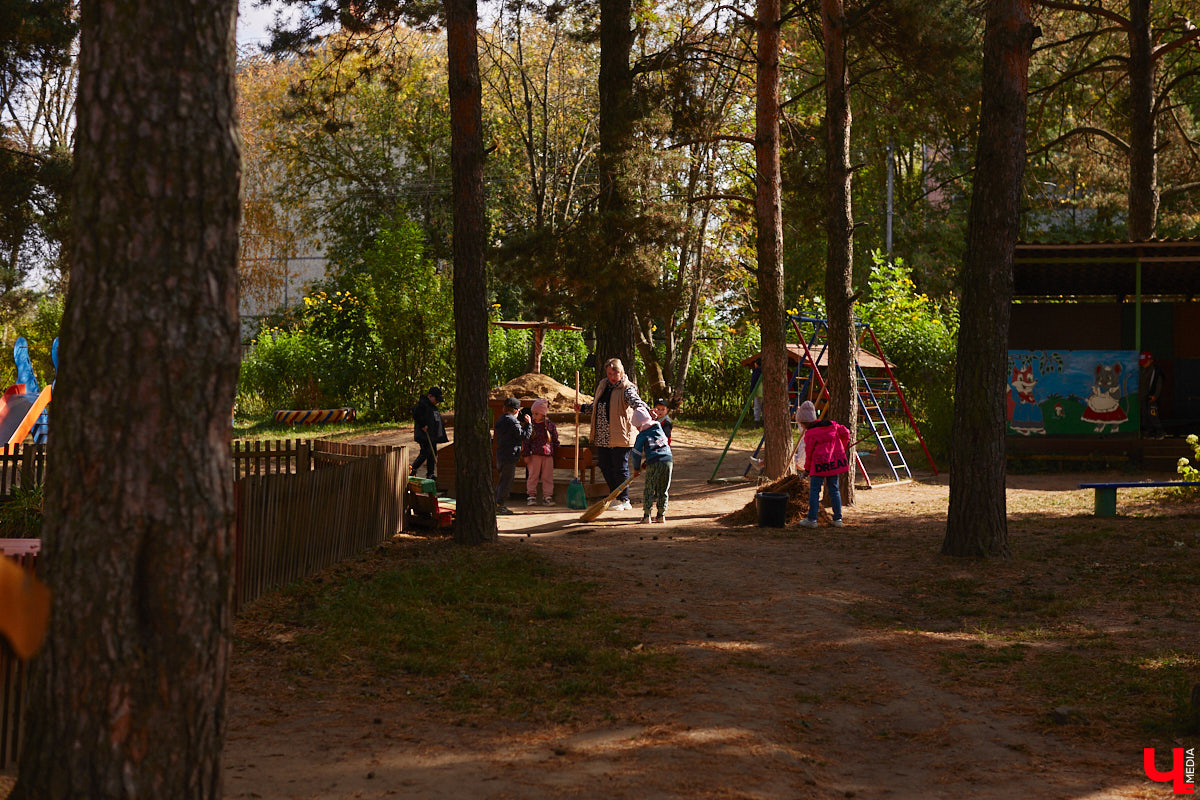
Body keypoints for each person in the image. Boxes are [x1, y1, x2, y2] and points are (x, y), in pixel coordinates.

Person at [575, 357, 649, 511]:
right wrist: (582, 408)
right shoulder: (603, 386)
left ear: (621, 372)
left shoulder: (627, 388)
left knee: (619, 467)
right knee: (604, 464)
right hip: (602, 435)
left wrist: (647, 412)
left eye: (615, 373)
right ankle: (615, 495)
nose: (613, 377)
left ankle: (624, 499)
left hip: (621, 434)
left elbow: (637, 403)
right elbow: (598, 406)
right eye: (610, 373)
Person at [799, 401, 850, 529]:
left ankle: (812, 519)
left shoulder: (810, 434)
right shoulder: (832, 425)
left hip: (818, 466)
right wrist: (841, 448)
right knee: (834, 489)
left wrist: (806, 470)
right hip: (833, 464)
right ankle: (838, 518)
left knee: (815, 491)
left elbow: (809, 454)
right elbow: (846, 432)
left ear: (805, 422)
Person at [630, 408, 672, 524]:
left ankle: (647, 515)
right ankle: (661, 515)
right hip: (668, 460)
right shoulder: (658, 428)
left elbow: (636, 453)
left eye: (637, 426)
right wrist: (646, 462)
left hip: (654, 462)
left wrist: (636, 468)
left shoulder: (642, 435)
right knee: (663, 489)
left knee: (649, 488)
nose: (637, 429)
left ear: (640, 424)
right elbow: (658, 446)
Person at [493, 397, 531, 515]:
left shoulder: (500, 420)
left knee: (502, 480)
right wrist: (528, 424)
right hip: (510, 455)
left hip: (501, 455)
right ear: (516, 411)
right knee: (506, 482)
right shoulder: (512, 421)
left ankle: (496, 503)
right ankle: (500, 505)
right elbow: (523, 436)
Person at [522, 398, 559, 505]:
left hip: (547, 455)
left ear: (543, 414)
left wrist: (556, 449)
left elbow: (555, 438)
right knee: (533, 475)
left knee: (547, 476)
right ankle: (531, 495)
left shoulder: (550, 425)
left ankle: (547, 496)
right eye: (532, 413)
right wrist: (525, 455)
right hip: (534, 455)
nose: (533, 416)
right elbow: (526, 441)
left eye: (536, 414)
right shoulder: (531, 426)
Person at [411, 386, 447, 481]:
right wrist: (423, 424)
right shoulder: (422, 404)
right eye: (436, 399)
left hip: (432, 436)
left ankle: (430, 474)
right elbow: (415, 413)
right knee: (425, 452)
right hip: (424, 435)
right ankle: (412, 469)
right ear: (430, 396)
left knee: (432, 453)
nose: (437, 402)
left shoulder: (432, 406)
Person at [1139, 351, 1166, 438]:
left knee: (1153, 415)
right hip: (1142, 397)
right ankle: (1148, 432)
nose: (1143, 364)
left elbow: (1158, 385)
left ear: (1151, 360)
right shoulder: (1141, 370)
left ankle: (1160, 432)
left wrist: (1155, 395)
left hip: (1151, 397)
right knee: (1144, 415)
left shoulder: (1155, 371)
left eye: (1145, 362)